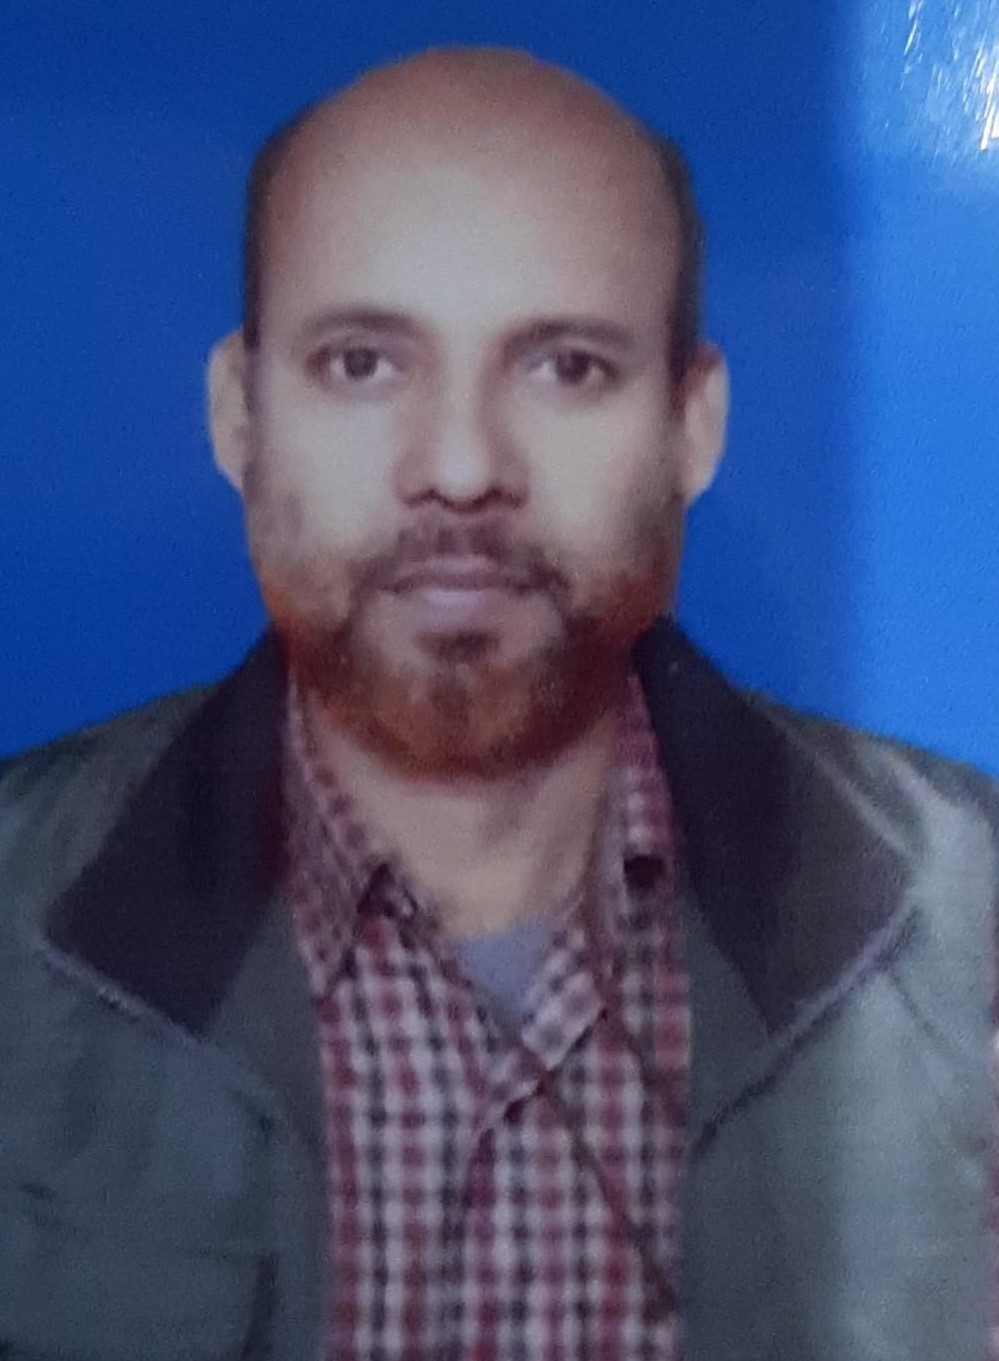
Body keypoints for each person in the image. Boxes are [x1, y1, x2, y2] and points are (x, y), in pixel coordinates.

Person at [0, 44, 995, 1361]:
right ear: (239, 415)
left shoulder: (970, 924)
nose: (462, 467)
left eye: (566, 367)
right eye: (363, 362)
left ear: (692, 426)